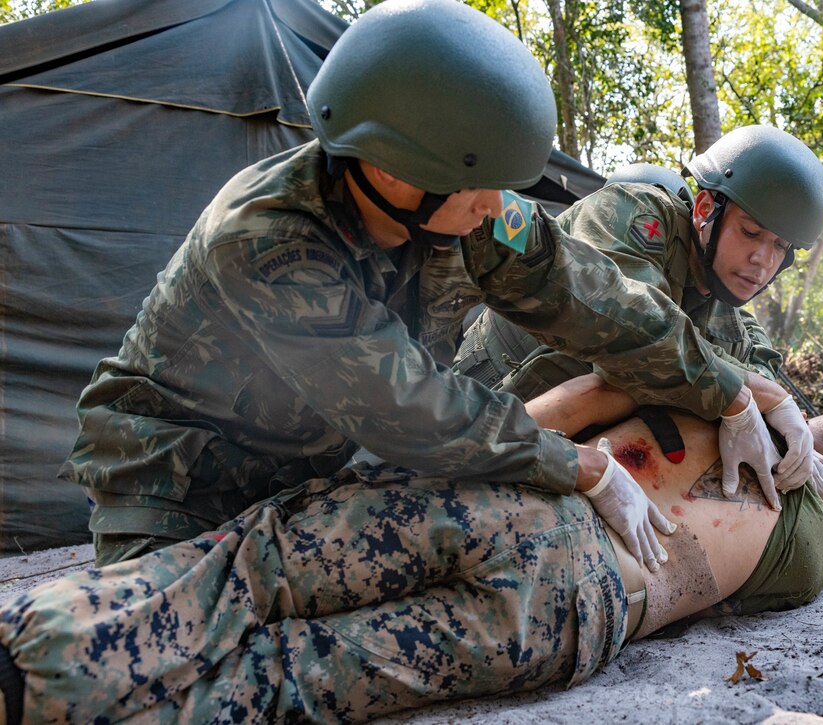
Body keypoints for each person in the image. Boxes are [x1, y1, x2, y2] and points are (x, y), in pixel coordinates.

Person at [58, 0, 780, 572]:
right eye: (483, 184)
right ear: (398, 172)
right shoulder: (265, 238)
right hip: (177, 489)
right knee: (156, 657)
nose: (500, 205)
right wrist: (579, 463)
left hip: (312, 473)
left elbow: (593, 299)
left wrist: (724, 388)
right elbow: (403, 402)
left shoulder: (465, 209)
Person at [0, 376, 823, 724]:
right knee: (289, 677)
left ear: (814, 431)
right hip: (574, 625)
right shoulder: (810, 559)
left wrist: (747, 393)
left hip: (522, 512)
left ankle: (35, 652)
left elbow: (563, 408)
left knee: (258, 566)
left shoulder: (727, 398)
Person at [454, 126, 823, 508]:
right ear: (704, 210)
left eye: (780, 247)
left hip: (559, 453)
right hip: (472, 413)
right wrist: (743, 396)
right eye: (750, 232)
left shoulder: (726, 312)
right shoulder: (629, 213)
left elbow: (761, 372)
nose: (762, 261)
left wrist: (800, 441)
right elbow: (635, 329)